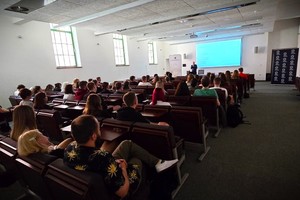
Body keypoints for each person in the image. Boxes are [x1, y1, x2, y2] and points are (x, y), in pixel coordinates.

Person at [64, 115, 178, 198]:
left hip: (100, 171)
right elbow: (122, 192)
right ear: (94, 136)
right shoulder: (103, 157)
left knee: (126, 144)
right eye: (98, 128)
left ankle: (158, 163)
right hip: (119, 188)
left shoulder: (70, 147)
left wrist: (111, 162)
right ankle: (155, 167)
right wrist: (123, 169)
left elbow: (96, 161)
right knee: (136, 159)